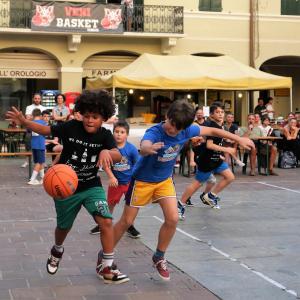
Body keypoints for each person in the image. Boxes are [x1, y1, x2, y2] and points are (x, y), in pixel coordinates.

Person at [96, 100, 253, 281]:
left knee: (173, 218)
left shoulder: (188, 129)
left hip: (164, 181)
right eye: (171, 125)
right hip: (142, 181)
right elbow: (145, 145)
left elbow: (213, 131)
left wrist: (239, 138)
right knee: (126, 221)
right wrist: (147, 148)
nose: (172, 130)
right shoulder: (155, 132)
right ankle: (105, 254)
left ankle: (159, 256)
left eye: (177, 129)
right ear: (167, 117)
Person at [6, 90, 129, 284]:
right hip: (66, 188)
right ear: (80, 114)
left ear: (104, 118)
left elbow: (117, 154)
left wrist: (107, 152)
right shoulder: (71, 127)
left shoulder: (105, 135)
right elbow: (46, 130)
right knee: (64, 227)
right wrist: (25, 122)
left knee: (106, 221)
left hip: (91, 186)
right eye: (86, 116)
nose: (90, 120)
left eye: (95, 117)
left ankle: (106, 264)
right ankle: (57, 249)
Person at [178, 102, 238, 218]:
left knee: (230, 177)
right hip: (207, 161)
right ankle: (180, 204)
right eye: (217, 112)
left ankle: (210, 196)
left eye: (222, 112)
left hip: (216, 159)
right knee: (196, 184)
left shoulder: (221, 126)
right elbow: (210, 145)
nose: (220, 114)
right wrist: (227, 150)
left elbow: (210, 142)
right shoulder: (212, 127)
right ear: (211, 114)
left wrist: (220, 152)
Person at [90, 120, 141, 239]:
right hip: (115, 182)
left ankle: (130, 225)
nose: (118, 134)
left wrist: (136, 179)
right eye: (116, 131)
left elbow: (137, 164)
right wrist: (111, 176)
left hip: (129, 182)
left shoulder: (131, 149)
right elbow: (105, 165)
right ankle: (103, 224)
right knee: (110, 204)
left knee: (131, 205)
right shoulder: (109, 149)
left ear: (127, 134)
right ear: (113, 133)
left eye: (122, 132)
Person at [21, 93, 46, 168]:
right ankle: (27, 161)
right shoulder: (29, 107)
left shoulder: (43, 108)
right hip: (30, 129)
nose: (37, 100)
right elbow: (27, 118)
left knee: (42, 145)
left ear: (40, 99)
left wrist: (33, 118)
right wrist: (38, 118)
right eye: (35, 98)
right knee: (28, 145)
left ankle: (42, 162)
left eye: (38, 98)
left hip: (41, 130)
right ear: (33, 99)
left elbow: (45, 119)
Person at [27, 108, 47, 185]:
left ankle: (43, 178)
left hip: (34, 145)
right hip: (40, 145)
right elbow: (47, 133)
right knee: (39, 162)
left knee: (40, 161)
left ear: (33, 115)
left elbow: (28, 131)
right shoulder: (43, 123)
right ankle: (32, 179)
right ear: (40, 115)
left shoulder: (30, 123)